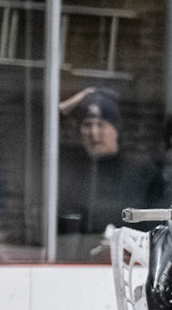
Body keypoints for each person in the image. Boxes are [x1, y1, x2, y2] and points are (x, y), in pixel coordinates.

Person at [56, 89, 158, 254]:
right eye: (87, 125)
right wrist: (82, 96)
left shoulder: (140, 172)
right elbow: (40, 125)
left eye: (101, 124)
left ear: (116, 128)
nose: (94, 133)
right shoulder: (73, 167)